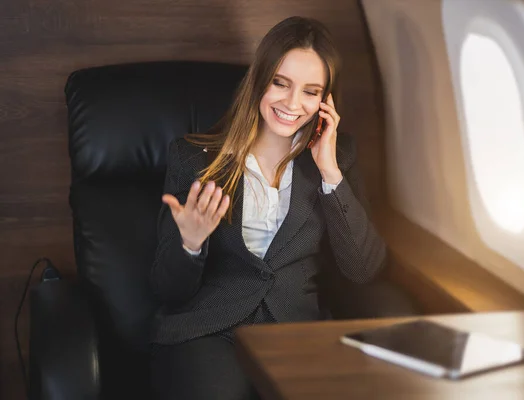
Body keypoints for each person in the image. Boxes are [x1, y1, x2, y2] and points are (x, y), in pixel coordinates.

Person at [149, 16, 387, 400]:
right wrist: (190, 244)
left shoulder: (337, 160)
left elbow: (363, 269)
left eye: (311, 92)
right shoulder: (193, 159)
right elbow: (166, 289)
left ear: (326, 101)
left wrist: (330, 173)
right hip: (208, 330)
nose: (293, 104)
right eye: (281, 83)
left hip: (294, 330)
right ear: (259, 80)